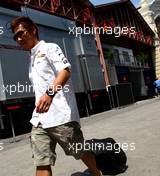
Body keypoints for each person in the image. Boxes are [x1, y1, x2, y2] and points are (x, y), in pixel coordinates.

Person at [11, 16, 102, 176]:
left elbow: (65, 71)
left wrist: (49, 94)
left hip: (61, 117)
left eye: (21, 33)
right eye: (15, 36)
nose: (18, 39)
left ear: (33, 30)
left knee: (79, 151)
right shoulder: (32, 57)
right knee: (41, 162)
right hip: (40, 119)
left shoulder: (50, 48)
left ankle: (96, 173)